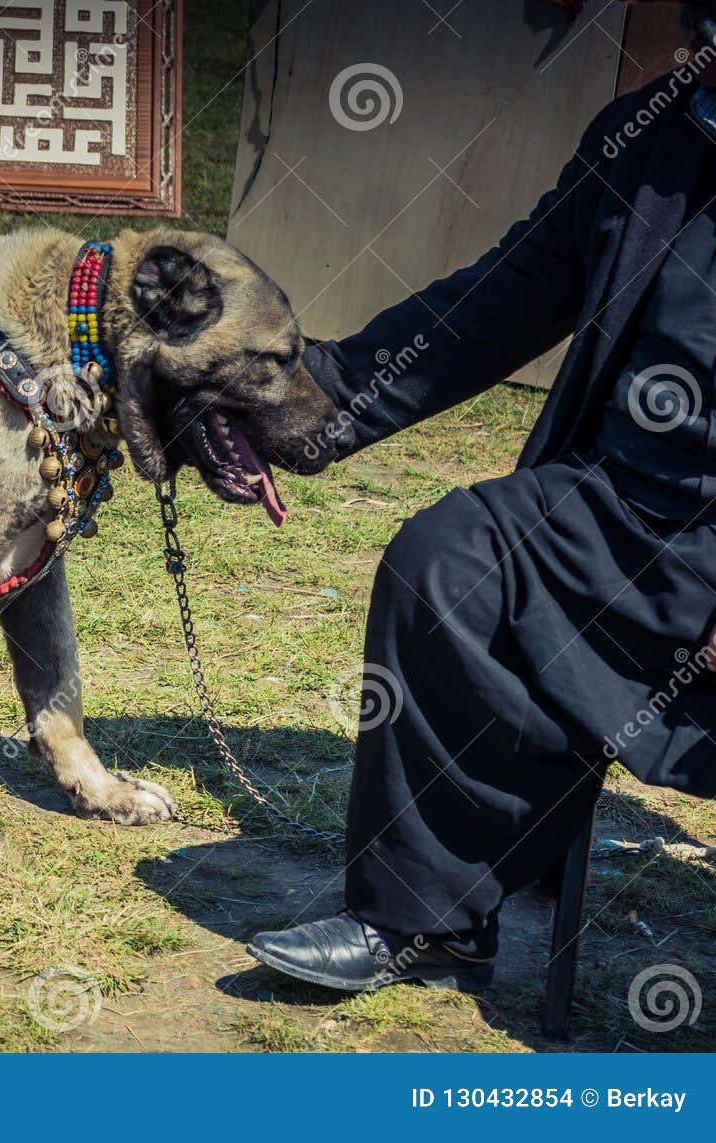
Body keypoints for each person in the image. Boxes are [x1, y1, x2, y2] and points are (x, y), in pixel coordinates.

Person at [247, 3, 716, 993]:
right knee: (447, 560)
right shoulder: (651, 139)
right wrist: (302, 402)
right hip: (621, 514)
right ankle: (422, 917)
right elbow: (492, 302)